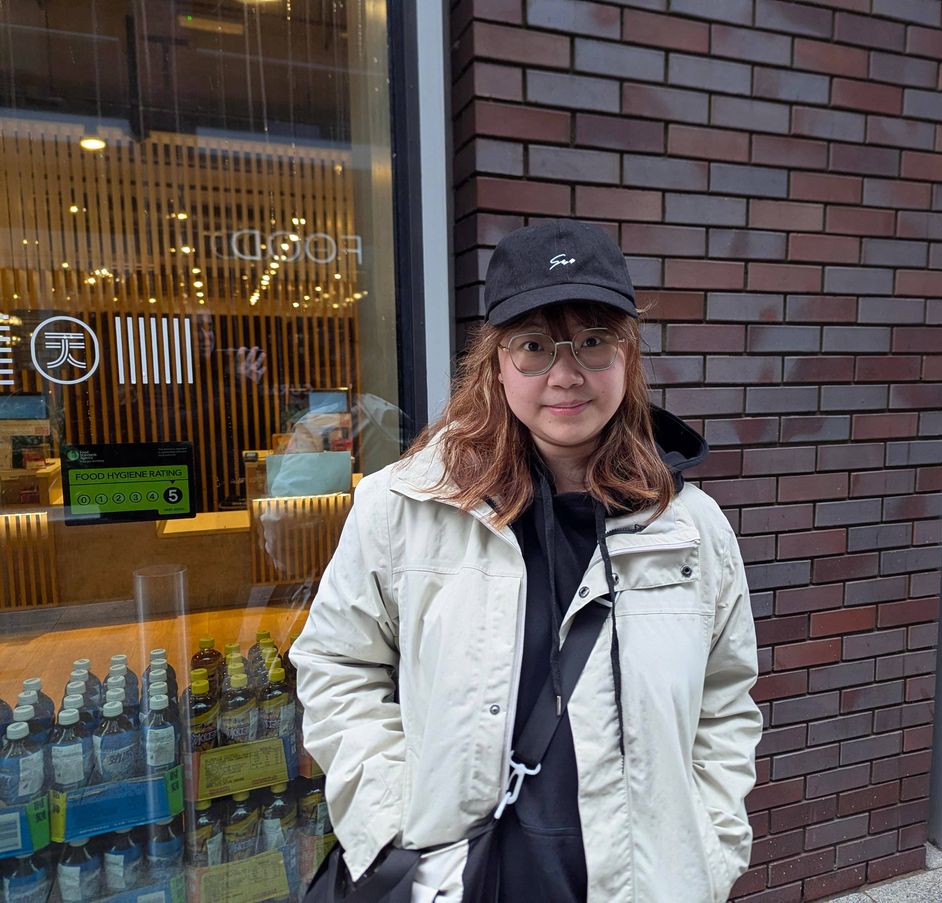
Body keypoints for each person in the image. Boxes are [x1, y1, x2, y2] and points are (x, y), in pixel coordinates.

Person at [291, 219, 762, 902]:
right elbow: (337, 666)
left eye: (593, 342)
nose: (565, 375)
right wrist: (392, 821)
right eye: (534, 346)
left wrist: (711, 850)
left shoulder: (692, 531)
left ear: (626, 356)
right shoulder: (405, 508)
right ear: (496, 360)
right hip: (466, 880)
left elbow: (725, 702)